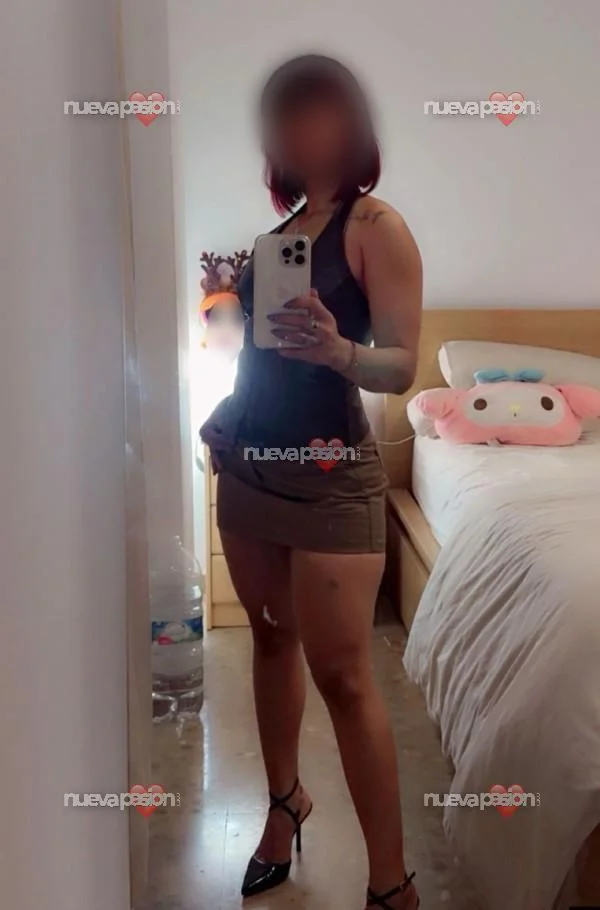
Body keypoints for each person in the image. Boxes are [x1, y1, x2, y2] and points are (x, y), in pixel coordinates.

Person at [200, 53, 423, 910]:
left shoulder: (377, 226)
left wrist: (339, 350)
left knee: (346, 678)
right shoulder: (281, 235)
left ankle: (391, 884)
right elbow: (261, 356)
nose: (298, 129)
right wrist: (227, 411)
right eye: (284, 116)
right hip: (250, 464)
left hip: (331, 479)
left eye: (315, 111)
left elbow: (401, 365)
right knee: (269, 641)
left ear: (349, 122)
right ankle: (285, 805)